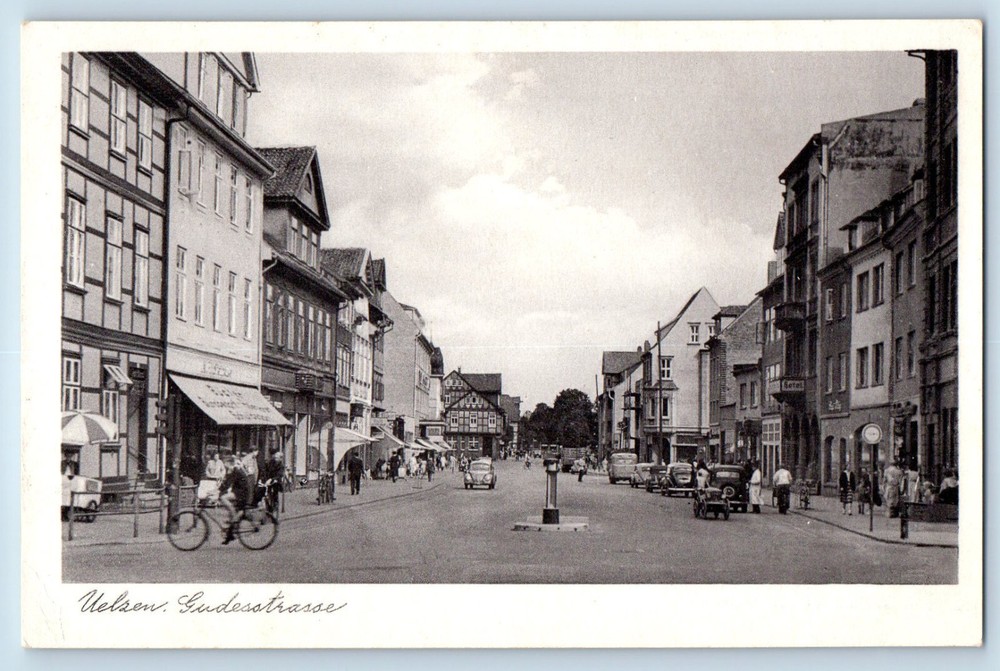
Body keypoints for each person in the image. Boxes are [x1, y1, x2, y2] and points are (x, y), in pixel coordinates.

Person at [218, 455, 251, 545]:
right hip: (239, 492)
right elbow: (225, 483)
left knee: (223, 498)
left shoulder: (235, 471)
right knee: (227, 505)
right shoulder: (232, 471)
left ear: (229, 463)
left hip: (241, 494)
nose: (224, 465)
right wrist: (218, 490)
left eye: (225, 463)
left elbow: (227, 484)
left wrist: (218, 492)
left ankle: (234, 516)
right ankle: (230, 533)